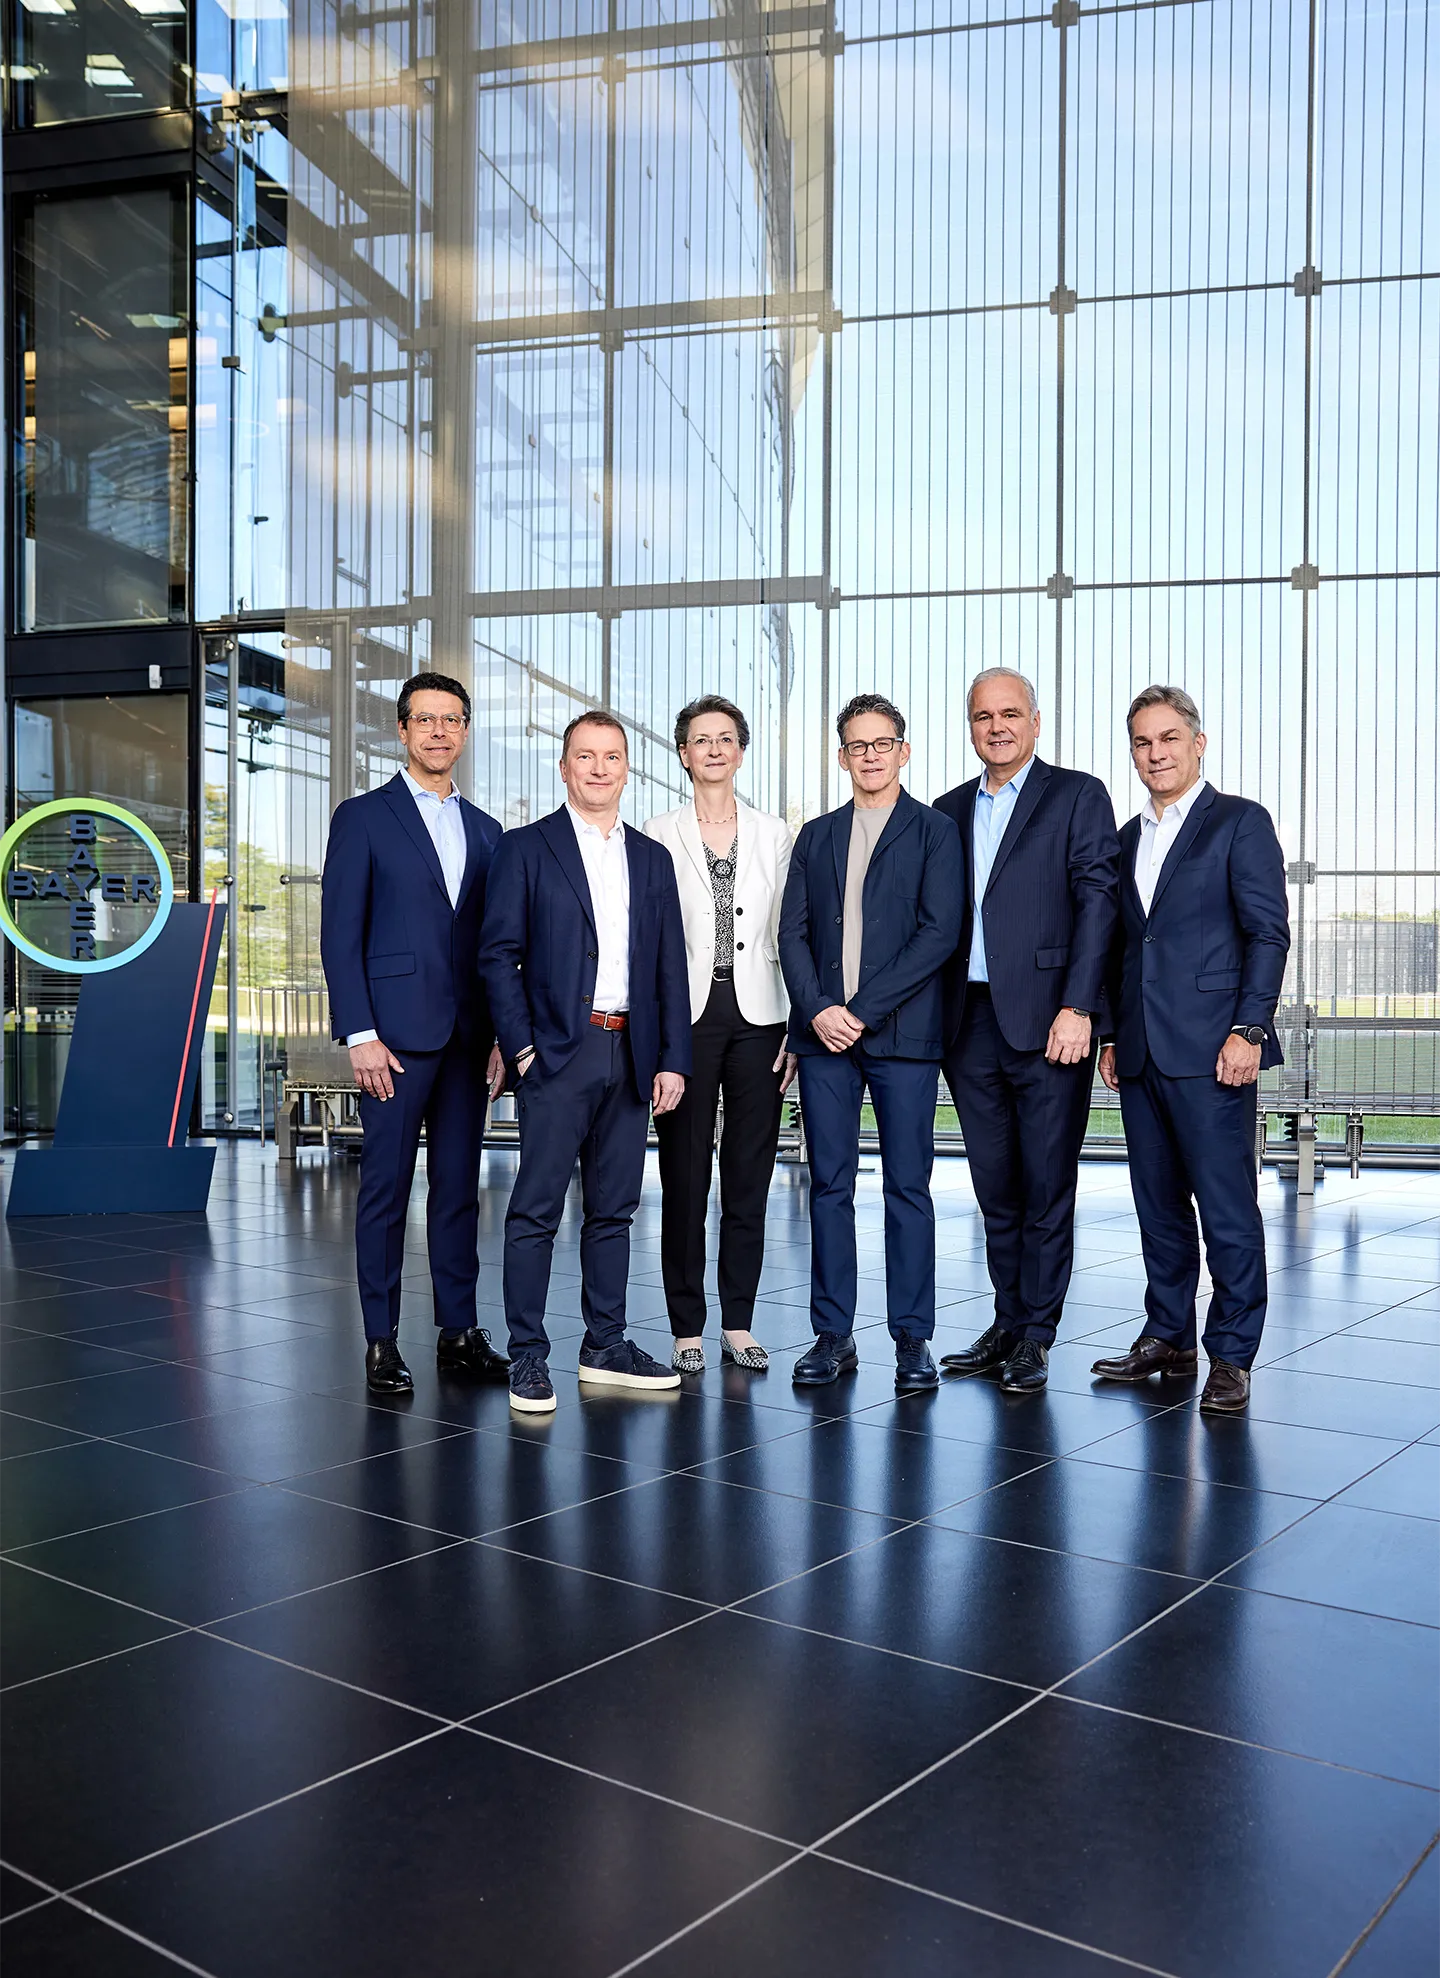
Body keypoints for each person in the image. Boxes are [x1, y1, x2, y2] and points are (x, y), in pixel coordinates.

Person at [478, 711, 692, 1414]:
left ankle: (605, 1345)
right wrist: (523, 1049)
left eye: (612, 757)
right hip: (557, 1054)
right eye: (586, 756)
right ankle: (527, 1355)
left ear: (628, 768)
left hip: (631, 1052)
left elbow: (668, 967)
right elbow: (498, 956)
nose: (600, 769)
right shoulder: (525, 848)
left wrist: (672, 1059)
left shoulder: (652, 859)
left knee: (614, 1210)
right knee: (536, 1210)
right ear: (565, 767)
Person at [1094, 684, 1290, 1415]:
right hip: (1141, 1050)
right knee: (1158, 1206)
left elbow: (1267, 933)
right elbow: (1121, 947)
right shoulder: (1124, 839)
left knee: (1227, 1208)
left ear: (1197, 743)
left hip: (1215, 1049)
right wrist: (1112, 1033)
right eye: (1143, 742)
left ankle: (1232, 1354)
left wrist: (1250, 1029)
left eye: (1169, 737)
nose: (1156, 753)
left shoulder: (1239, 822)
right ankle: (1168, 1335)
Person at [320, 670, 509, 1397]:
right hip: (392, 1041)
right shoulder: (363, 817)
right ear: (401, 730)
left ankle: (458, 1331)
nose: (438, 731)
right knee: (386, 1190)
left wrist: (500, 1036)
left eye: (451, 719)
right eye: (424, 719)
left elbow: (494, 946)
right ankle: (381, 1339)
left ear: (465, 731)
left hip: (468, 1041)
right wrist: (358, 1032)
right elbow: (341, 935)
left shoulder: (488, 831)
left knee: (459, 1191)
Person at [935, 668, 1120, 1395]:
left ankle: (1037, 1335)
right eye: (984, 716)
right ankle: (1007, 1322)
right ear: (971, 727)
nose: (997, 727)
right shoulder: (948, 810)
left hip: (1050, 1021)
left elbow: (1098, 904)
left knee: (1045, 1185)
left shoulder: (1077, 795)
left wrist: (1081, 1007)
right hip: (968, 1021)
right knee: (995, 1187)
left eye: (1010, 713)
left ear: (1035, 722)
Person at [778, 693, 963, 1393]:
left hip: (903, 1038)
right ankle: (833, 1334)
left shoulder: (935, 832)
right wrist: (819, 1010)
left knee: (907, 1188)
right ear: (842, 756)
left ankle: (912, 1338)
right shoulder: (816, 835)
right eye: (858, 745)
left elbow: (939, 935)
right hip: (824, 1038)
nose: (871, 755)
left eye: (883, 743)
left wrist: (858, 1010)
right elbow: (791, 933)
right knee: (829, 1187)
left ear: (903, 751)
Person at [644, 695, 795, 1374]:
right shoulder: (656, 832)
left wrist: (797, 1024)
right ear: (683, 753)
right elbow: (649, 939)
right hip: (685, 1020)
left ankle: (738, 1322)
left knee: (748, 1176)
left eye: (726, 738)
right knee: (683, 1178)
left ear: (740, 751)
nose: (713, 749)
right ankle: (686, 1328)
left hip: (762, 1018)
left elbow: (789, 932)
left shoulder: (774, 833)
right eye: (701, 739)